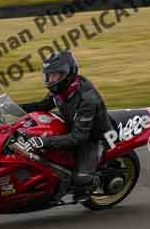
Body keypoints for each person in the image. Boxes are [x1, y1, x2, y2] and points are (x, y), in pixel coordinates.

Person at [17, 51, 113, 201]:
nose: (50, 80)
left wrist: (43, 141)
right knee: (29, 128)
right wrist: (14, 110)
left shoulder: (87, 100)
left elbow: (79, 137)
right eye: (48, 76)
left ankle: (94, 182)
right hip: (72, 124)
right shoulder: (62, 90)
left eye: (54, 76)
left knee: (80, 181)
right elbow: (43, 105)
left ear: (67, 74)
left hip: (93, 138)